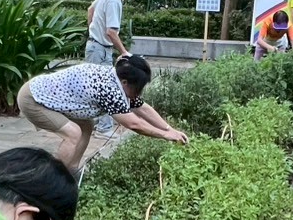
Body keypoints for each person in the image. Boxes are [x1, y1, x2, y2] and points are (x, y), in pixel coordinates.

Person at [18, 53, 188, 172]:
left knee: (86, 126)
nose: (139, 93)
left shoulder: (118, 79)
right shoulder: (109, 89)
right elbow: (133, 123)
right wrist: (165, 135)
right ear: (125, 82)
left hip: (47, 96)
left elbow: (142, 108)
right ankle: (52, 180)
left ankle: (71, 172)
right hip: (34, 99)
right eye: (138, 88)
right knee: (73, 133)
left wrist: (169, 129)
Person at [86, 0, 146, 67]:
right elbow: (111, 32)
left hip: (97, 48)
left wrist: (94, 35)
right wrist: (124, 52)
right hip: (100, 51)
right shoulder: (113, 0)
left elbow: (90, 10)